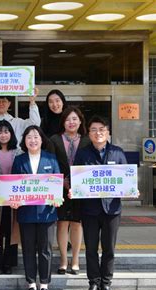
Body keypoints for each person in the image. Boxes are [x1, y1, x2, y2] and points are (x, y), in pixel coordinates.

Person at [73, 116, 131, 290]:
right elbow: (77, 180)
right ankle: (93, 283)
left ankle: (106, 284)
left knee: (109, 249)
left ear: (108, 132)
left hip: (112, 209)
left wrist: (131, 188)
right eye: (94, 130)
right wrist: (74, 190)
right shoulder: (83, 153)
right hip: (89, 210)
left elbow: (126, 179)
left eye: (102, 129)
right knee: (90, 249)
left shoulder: (118, 152)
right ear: (88, 133)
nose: (98, 133)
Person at [10, 125, 61, 290]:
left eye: (36, 137)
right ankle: (31, 283)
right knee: (28, 249)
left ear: (41, 139)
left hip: (47, 212)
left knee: (45, 250)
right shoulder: (19, 160)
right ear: (24, 141)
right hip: (26, 213)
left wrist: (57, 197)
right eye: (29, 137)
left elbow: (57, 183)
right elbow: (13, 187)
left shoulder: (51, 158)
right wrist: (13, 200)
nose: (33, 140)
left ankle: (45, 284)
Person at [50, 106, 90, 275]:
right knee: (62, 223)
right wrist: (62, 182)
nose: (71, 122)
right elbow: (51, 164)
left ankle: (75, 259)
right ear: (63, 122)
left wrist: (78, 184)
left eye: (74, 119)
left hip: (82, 189)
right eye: (67, 119)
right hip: (60, 189)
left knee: (77, 223)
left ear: (80, 121)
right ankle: (63, 260)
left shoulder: (88, 140)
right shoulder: (54, 139)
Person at [0, 120, 21, 275]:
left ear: (11, 134)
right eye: (0, 132)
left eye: (6, 131)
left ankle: (9, 263)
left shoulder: (19, 152)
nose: (3, 135)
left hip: (13, 198)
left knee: (11, 230)